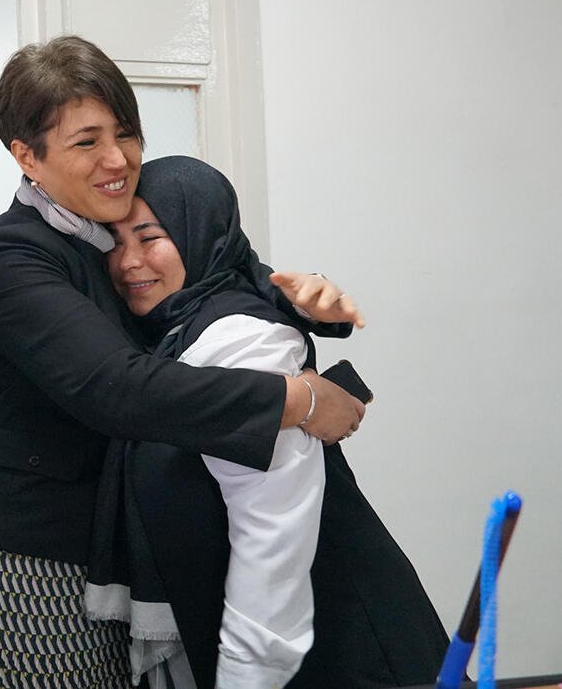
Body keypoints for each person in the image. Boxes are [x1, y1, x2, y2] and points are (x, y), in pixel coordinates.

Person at [0, 36, 367, 687]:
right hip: (29, 549)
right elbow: (120, 388)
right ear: (27, 156)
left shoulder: (99, 229)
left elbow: (222, 270)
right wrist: (299, 400)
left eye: (126, 132)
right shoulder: (14, 258)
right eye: (86, 142)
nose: (118, 160)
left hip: (112, 551)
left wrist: (312, 303)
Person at [93, 156, 447, 689]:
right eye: (114, 241)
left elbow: (272, 547)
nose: (128, 262)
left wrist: (243, 681)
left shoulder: (239, 342)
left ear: (200, 235)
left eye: (149, 237)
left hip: (337, 649)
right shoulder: (171, 331)